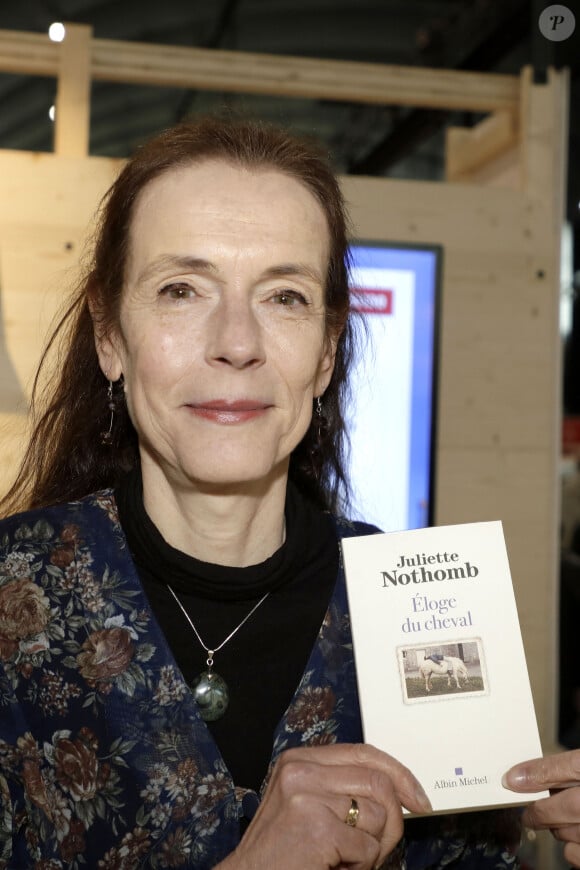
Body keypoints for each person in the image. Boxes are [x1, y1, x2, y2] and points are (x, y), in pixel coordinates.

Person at [0, 117, 521, 869]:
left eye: (284, 297)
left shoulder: (421, 611)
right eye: (182, 289)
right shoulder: (15, 603)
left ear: (327, 353)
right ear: (109, 335)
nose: (238, 342)